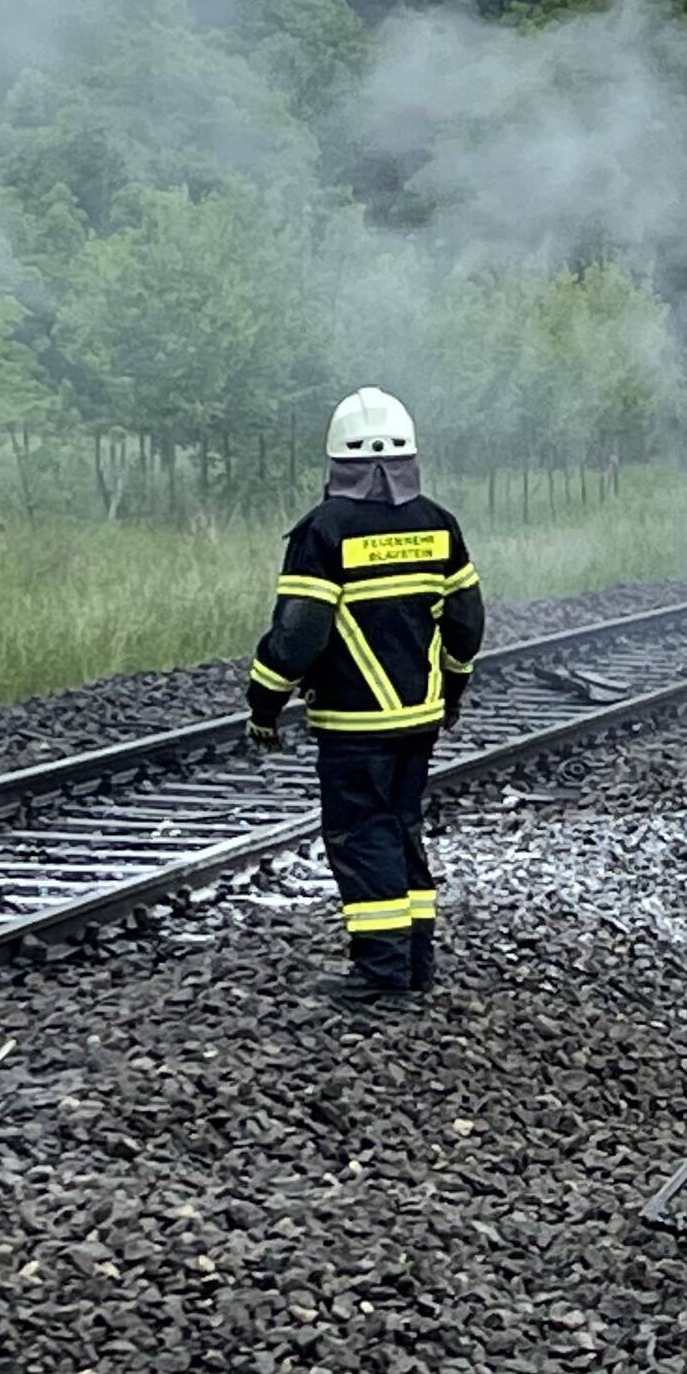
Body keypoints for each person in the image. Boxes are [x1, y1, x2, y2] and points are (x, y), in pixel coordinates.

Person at [246, 390, 483, 1001]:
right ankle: (416, 965)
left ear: (335, 461)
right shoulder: (438, 522)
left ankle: (381, 977)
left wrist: (263, 704)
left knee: (361, 833)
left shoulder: (324, 531)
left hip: (355, 721)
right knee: (402, 826)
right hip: (420, 716)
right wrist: (453, 686)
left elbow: (297, 637)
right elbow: (466, 623)